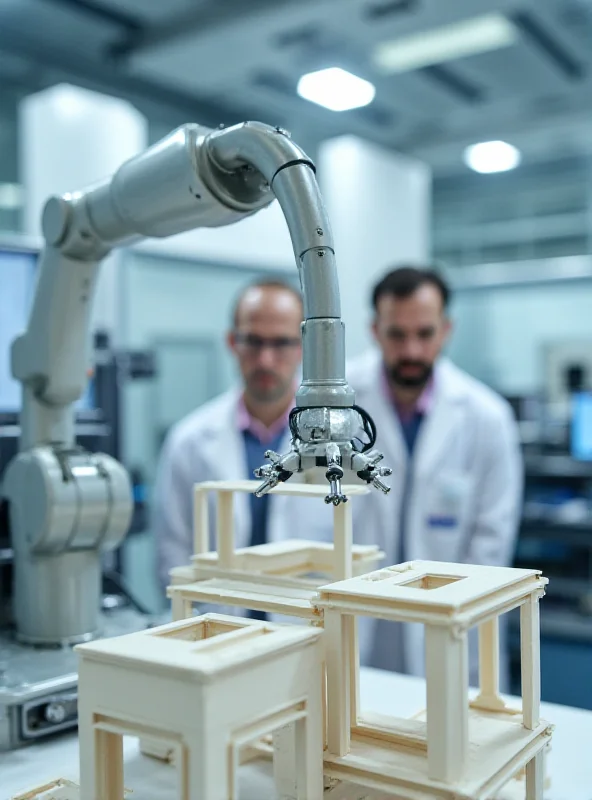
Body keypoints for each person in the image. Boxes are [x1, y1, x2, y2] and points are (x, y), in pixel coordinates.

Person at [347, 266, 523, 683]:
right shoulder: (339, 403)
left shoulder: (487, 417)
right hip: (360, 617)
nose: (411, 350)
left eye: (424, 334)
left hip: (454, 626)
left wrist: (447, 609)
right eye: (397, 334)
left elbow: (491, 544)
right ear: (375, 330)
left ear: (446, 330)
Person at [153, 278, 332, 594]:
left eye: (280, 343)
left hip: (311, 624)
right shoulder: (190, 441)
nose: (265, 360)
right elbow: (172, 553)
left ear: (305, 345)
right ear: (232, 342)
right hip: (217, 627)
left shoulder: (336, 442)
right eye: (253, 342)